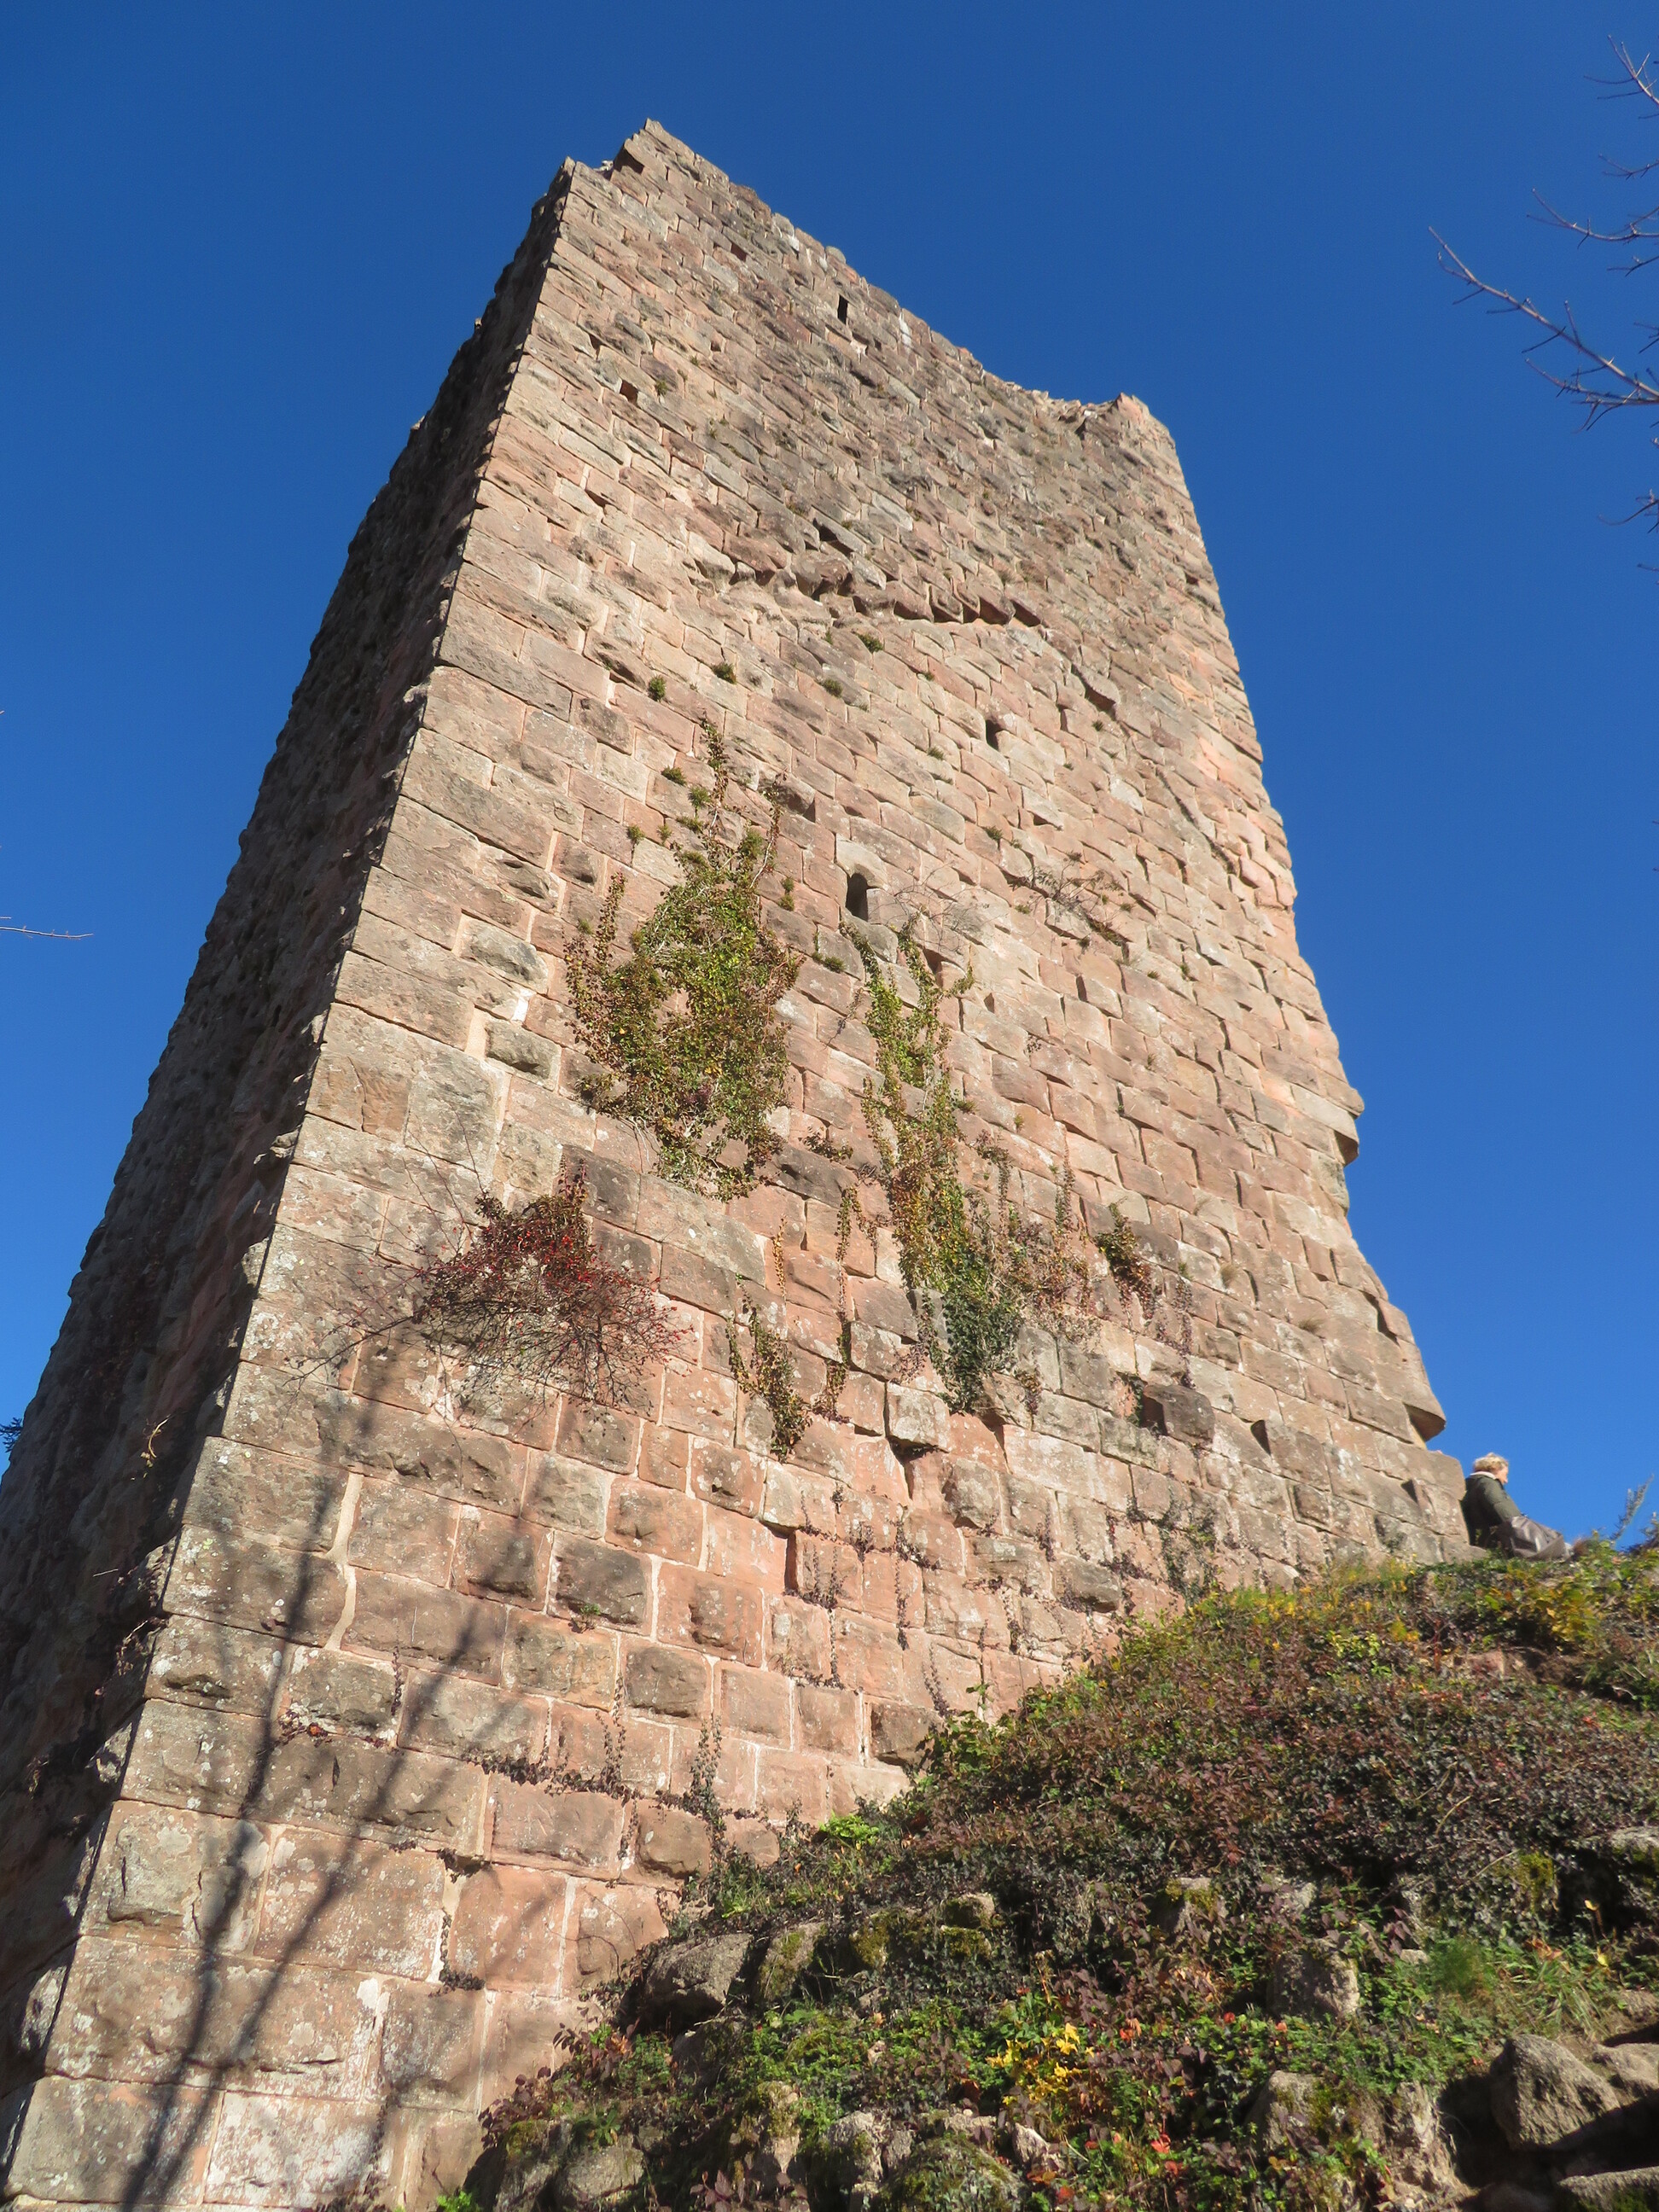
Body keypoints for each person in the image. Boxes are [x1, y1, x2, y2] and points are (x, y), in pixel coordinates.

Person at [1461, 1453, 1570, 1561]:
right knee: (1561, 1548)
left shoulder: (1469, 1486)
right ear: (1495, 1468)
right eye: (1505, 1474)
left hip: (1488, 1541)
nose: (1506, 1480)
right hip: (1507, 1539)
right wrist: (1521, 1526)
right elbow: (1502, 1509)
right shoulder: (1488, 1483)